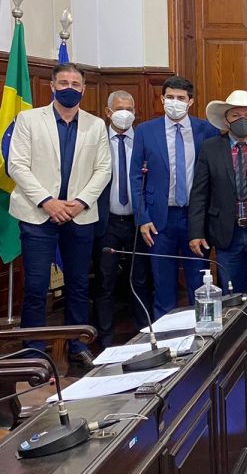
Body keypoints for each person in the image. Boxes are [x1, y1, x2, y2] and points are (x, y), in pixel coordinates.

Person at [7, 62, 111, 367]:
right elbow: (17, 165)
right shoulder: (28, 120)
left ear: (83, 89)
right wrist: (47, 202)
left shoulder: (96, 125)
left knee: (79, 284)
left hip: (79, 215)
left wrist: (79, 202)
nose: (69, 88)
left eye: (75, 84)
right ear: (52, 86)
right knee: (37, 286)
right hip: (38, 214)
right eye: (63, 83)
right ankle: (34, 349)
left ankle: (77, 344)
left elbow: (104, 169)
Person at [188, 90, 247, 369]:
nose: (243, 119)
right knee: (233, 294)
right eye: (236, 115)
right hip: (226, 233)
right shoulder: (210, 148)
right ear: (226, 120)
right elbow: (199, 193)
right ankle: (237, 348)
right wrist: (196, 231)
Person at [131, 76, 220, 318]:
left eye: (181, 98)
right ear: (162, 99)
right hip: (159, 219)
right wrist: (142, 218)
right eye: (170, 97)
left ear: (190, 102)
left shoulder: (207, 130)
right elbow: (136, 177)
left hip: (195, 218)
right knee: (163, 286)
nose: (175, 102)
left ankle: (202, 343)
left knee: (199, 283)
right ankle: (165, 345)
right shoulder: (145, 131)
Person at [91, 90, 153, 348]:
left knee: (140, 279)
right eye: (119, 108)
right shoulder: (95, 140)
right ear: (108, 112)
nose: (124, 113)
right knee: (105, 281)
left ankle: (143, 336)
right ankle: (104, 340)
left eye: (130, 108)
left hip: (139, 222)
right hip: (107, 222)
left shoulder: (144, 140)